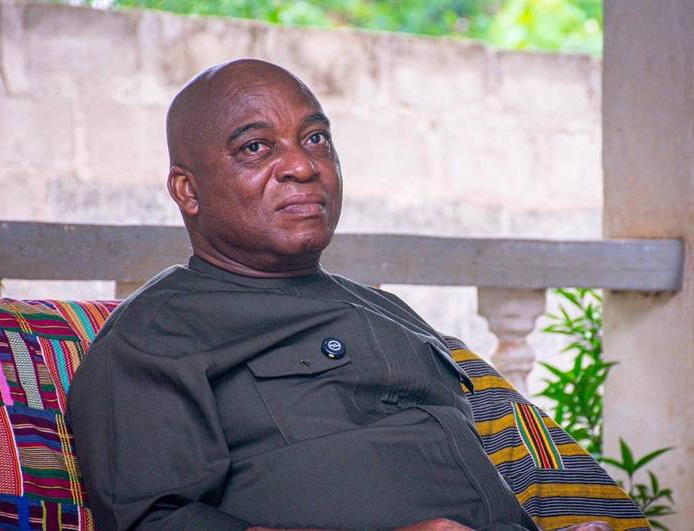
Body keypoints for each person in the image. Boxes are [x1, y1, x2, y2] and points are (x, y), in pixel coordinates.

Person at [67, 59, 613, 531]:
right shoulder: (158, 337)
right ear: (188, 191)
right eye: (256, 147)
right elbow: (157, 523)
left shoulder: (388, 311)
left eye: (315, 139)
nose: (303, 166)